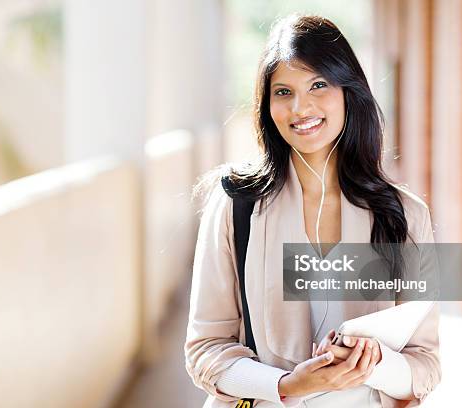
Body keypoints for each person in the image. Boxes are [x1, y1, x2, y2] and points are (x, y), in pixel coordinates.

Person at [185, 14, 440, 408]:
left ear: (348, 91)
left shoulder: (404, 215)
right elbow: (205, 349)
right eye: (283, 92)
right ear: (267, 105)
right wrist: (286, 384)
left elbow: (425, 365)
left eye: (318, 85)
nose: (300, 108)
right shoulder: (236, 203)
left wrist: (370, 364)